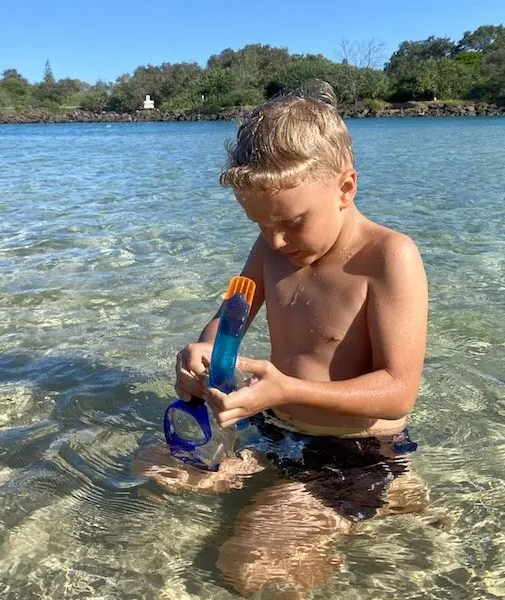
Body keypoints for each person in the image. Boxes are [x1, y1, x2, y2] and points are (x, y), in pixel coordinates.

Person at [134, 82, 430, 597]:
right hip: (272, 425)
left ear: (345, 188)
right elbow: (230, 322)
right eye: (259, 223)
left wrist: (288, 389)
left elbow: (399, 390)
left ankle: (383, 490)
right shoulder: (271, 247)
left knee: (250, 567)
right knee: (151, 471)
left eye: (292, 222)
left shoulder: (387, 257)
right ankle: (306, 491)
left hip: (355, 448)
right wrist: (202, 354)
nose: (274, 241)